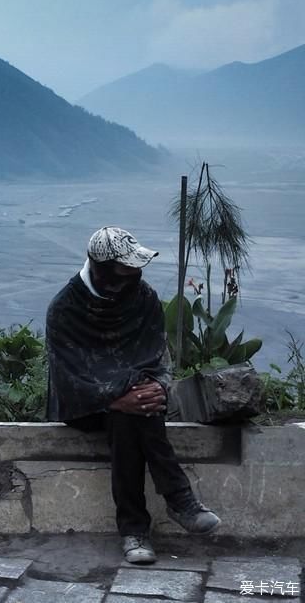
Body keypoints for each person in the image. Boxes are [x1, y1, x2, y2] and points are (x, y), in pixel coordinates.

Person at [45, 226, 221, 565]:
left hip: (136, 402)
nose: (135, 275)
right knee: (127, 411)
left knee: (131, 414)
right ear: (102, 269)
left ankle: (135, 531)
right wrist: (110, 398)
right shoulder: (64, 309)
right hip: (83, 404)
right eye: (126, 269)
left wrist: (155, 388)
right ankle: (180, 502)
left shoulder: (144, 299)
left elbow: (156, 357)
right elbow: (68, 376)